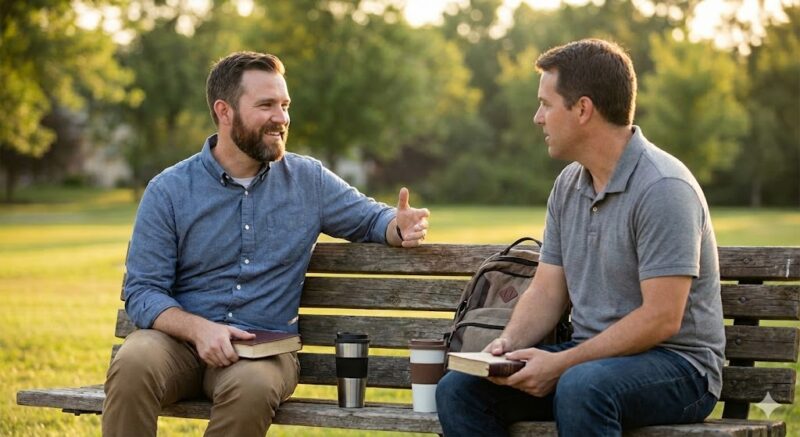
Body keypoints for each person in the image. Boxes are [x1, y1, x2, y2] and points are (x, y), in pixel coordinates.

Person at [102, 51, 430, 437]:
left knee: (253, 387)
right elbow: (143, 290)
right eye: (266, 105)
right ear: (224, 111)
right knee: (134, 360)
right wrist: (199, 330)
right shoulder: (169, 190)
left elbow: (372, 219)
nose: (282, 117)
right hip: (180, 346)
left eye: (285, 105)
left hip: (263, 354)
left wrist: (399, 226)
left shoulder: (308, 180)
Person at [436, 38, 725, 436]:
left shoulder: (663, 188)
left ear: (583, 109)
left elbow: (661, 319)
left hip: (679, 366)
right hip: (589, 360)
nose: (538, 118)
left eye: (546, 104)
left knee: (581, 387)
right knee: (460, 390)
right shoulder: (568, 185)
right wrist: (505, 347)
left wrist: (562, 364)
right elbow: (546, 292)